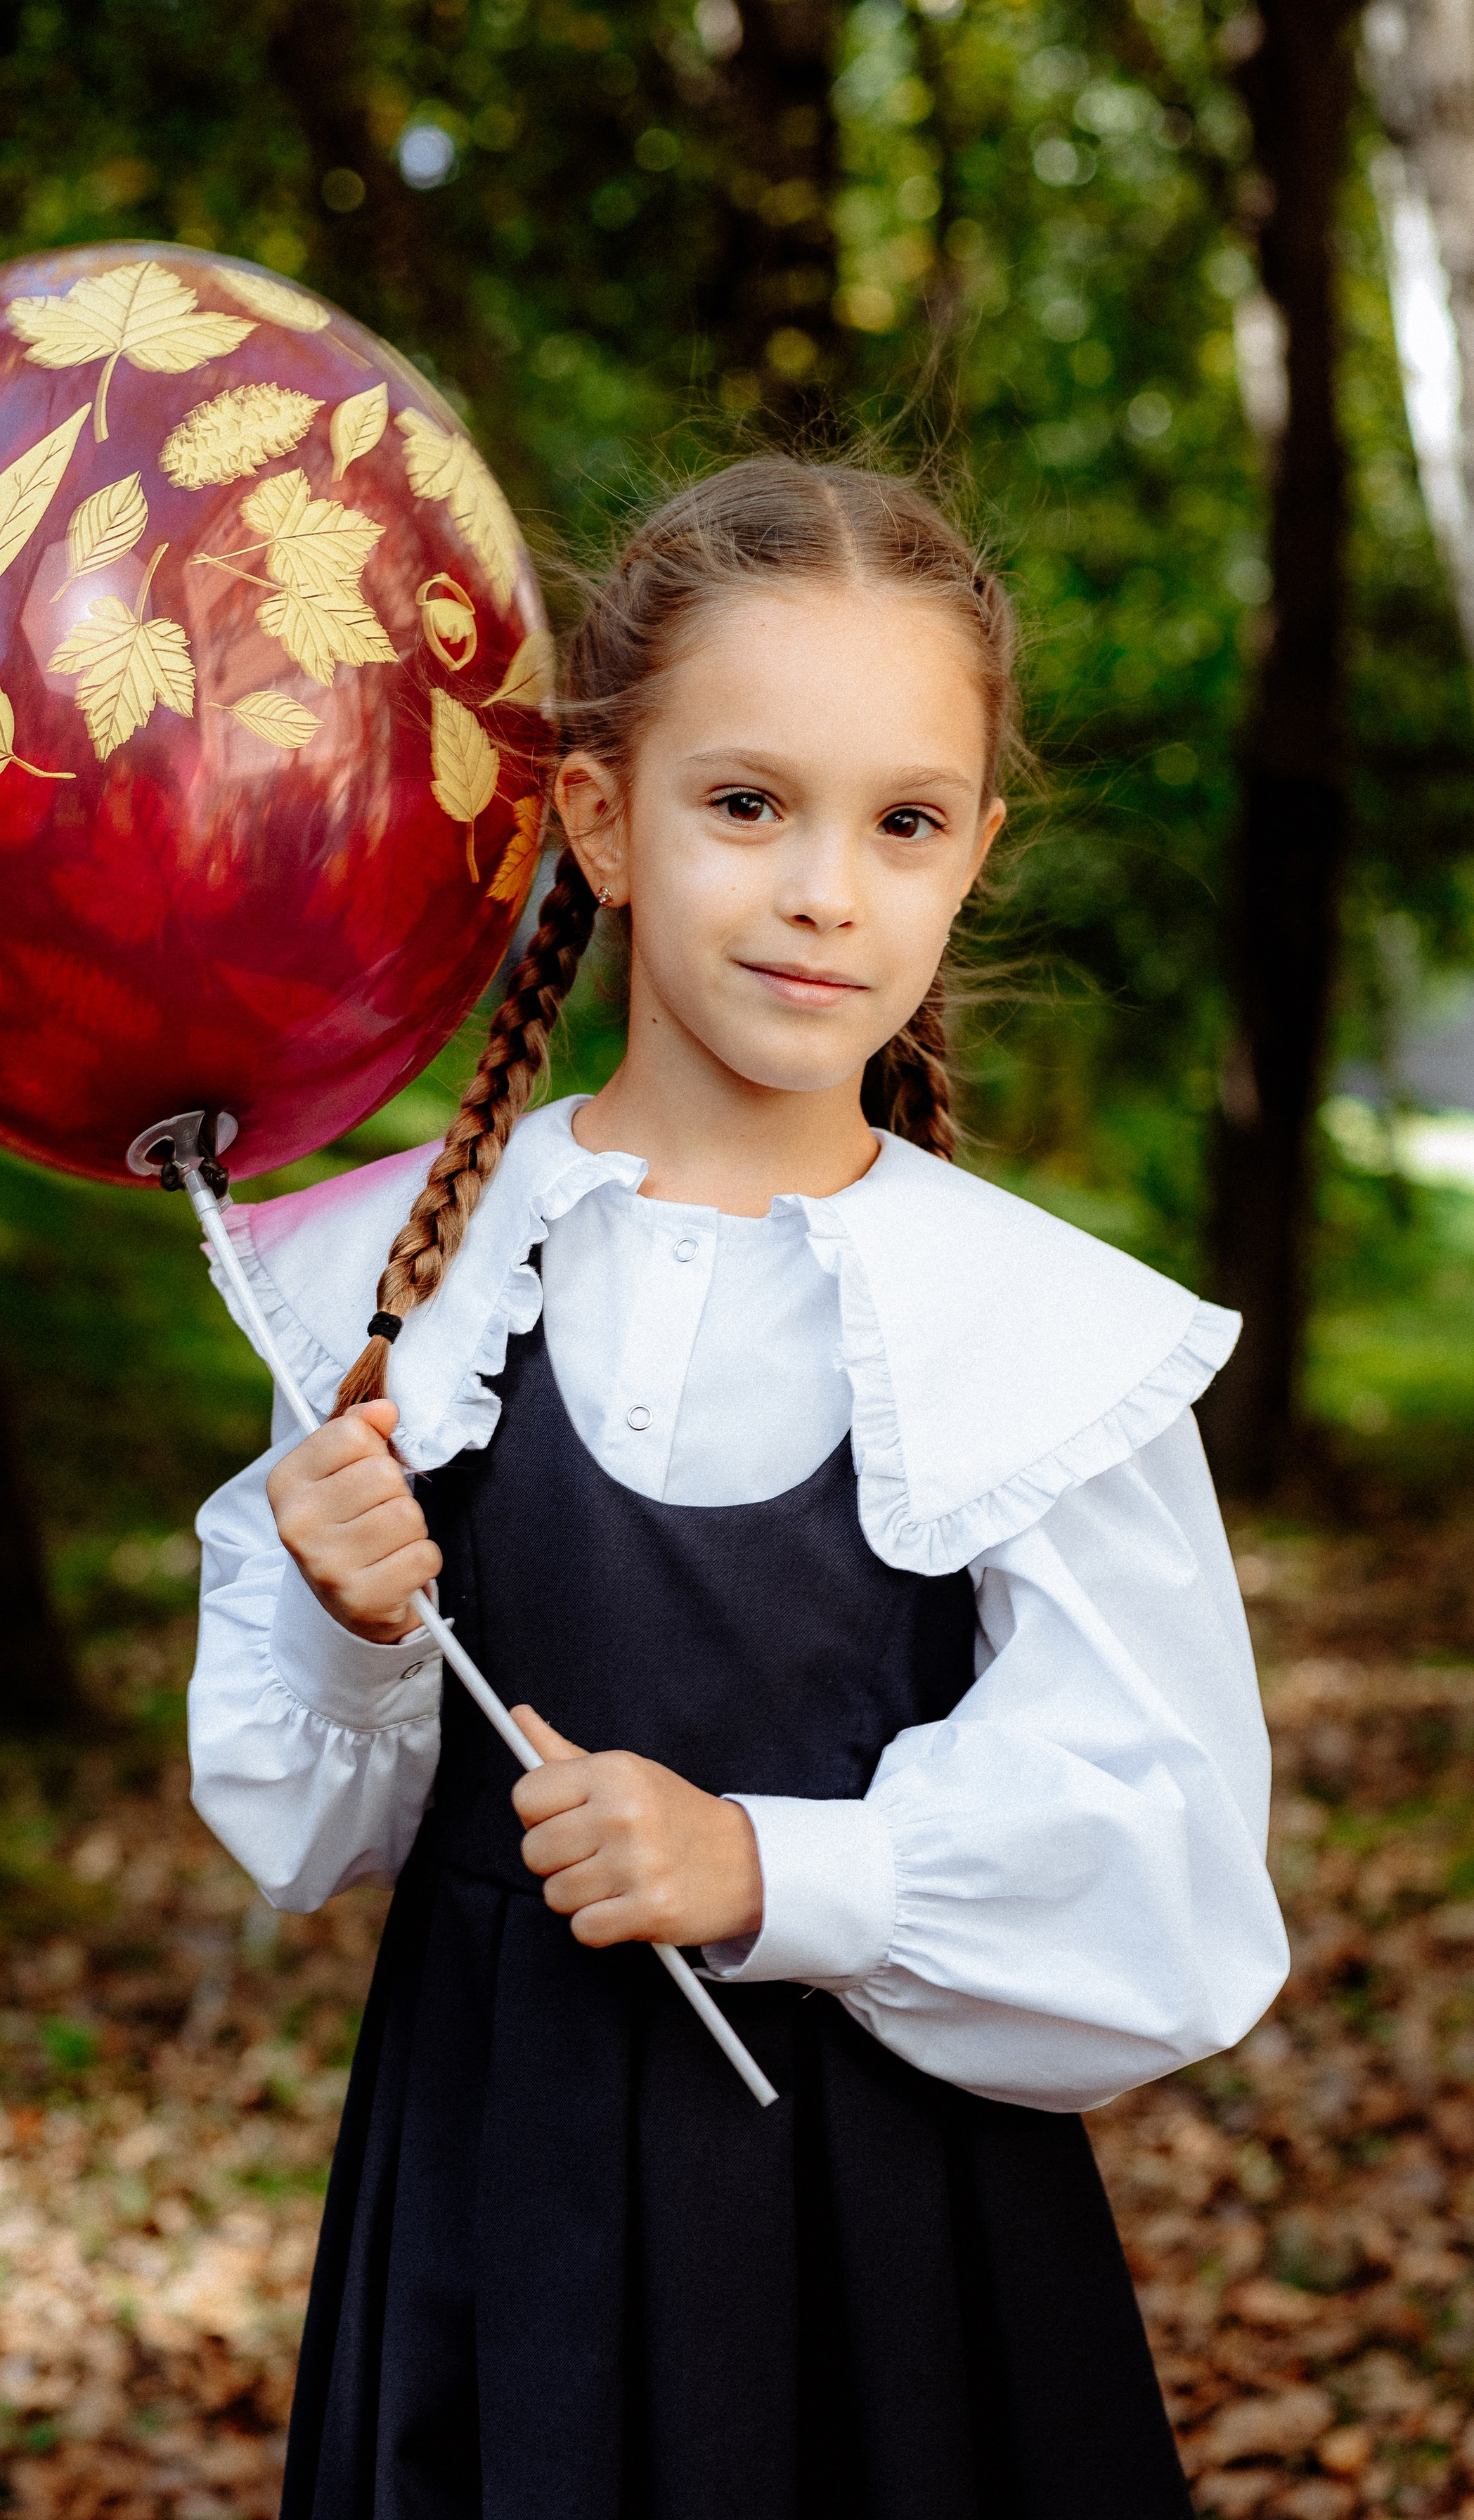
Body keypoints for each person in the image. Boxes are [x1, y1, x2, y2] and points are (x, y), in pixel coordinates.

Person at [188, 456, 1288, 2520]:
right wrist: (346, 1634)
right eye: (747, 803)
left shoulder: (1041, 1345)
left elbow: (1171, 1891)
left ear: (974, 858)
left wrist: (778, 1871)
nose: (823, 893)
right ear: (601, 816)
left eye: (903, 822)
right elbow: (300, 1831)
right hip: (491, 2229)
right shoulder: (382, 1294)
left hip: (902, 2271)